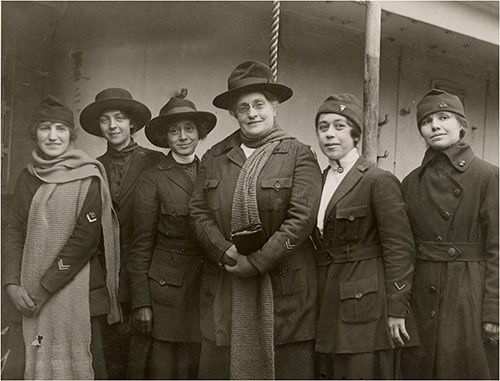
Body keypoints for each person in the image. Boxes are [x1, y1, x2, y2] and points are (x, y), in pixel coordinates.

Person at [189, 60, 322, 380]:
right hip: (227, 281)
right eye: (243, 107)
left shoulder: (297, 154)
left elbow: (301, 218)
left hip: (284, 291)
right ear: (234, 113)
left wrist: (258, 262)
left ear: (274, 107)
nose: (252, 113)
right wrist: (223, 251)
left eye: (259, 105)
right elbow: (198, 211)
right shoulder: (215, 157)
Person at [2, 96, 121, 379]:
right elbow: (14, 231)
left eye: (60, 129)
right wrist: (11, 284)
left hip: (75, 295)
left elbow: (84, 241)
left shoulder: (89, 176)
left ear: (71, 135)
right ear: (35, 133)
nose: (53, 136)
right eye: (45, 128)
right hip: (25, 295)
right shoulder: (26, 178)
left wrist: (42, 290)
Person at [312, 93, 415, 379]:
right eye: (323, 127)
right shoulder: (316, 181)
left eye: (339, 126)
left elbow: (399, 248)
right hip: (327, 297)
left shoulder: (377, 180)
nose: (329, 134)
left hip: (366, 303)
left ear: (356, 133)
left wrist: (396, 309)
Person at [400, 89, 499, 379]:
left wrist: (494, 309)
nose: (435, 125)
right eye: (427, 120)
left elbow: (498, 246)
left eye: (444, 117)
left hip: (468, 292)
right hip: (422, 295)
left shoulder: (487, 176)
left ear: (461, 126)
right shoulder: (410, 182)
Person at [127, 94, 216, 379]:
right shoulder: (153, 177)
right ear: (166, 137)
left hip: (205, 291)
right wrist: (141, 302)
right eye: (174, 130)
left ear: (199, 133)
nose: (182, 137)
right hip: (166, 294)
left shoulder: (213, 172)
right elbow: (140, 245)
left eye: (189, 128)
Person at [80, 87, 164, 379]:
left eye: (120, 118)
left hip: (148, 274)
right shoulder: (92, 168)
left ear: (133, 124)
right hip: (107, 277)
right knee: (110, 357)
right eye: (105, 120)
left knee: (146, 359)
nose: (113, 126)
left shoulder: (156, 162)